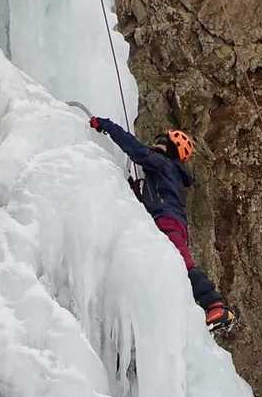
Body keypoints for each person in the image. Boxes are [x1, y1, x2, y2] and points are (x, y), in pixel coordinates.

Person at [89, 116, 237, 335]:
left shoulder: (163, 164)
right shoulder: (169, 175)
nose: (156, 145)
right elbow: (149, 196)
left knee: (183, 266)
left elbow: (135, 148)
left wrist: (106, 125)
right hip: (169, 221)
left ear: (170, 150)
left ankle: (215, 306)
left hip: (166, 222)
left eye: (161, 142)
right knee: (169, 269)